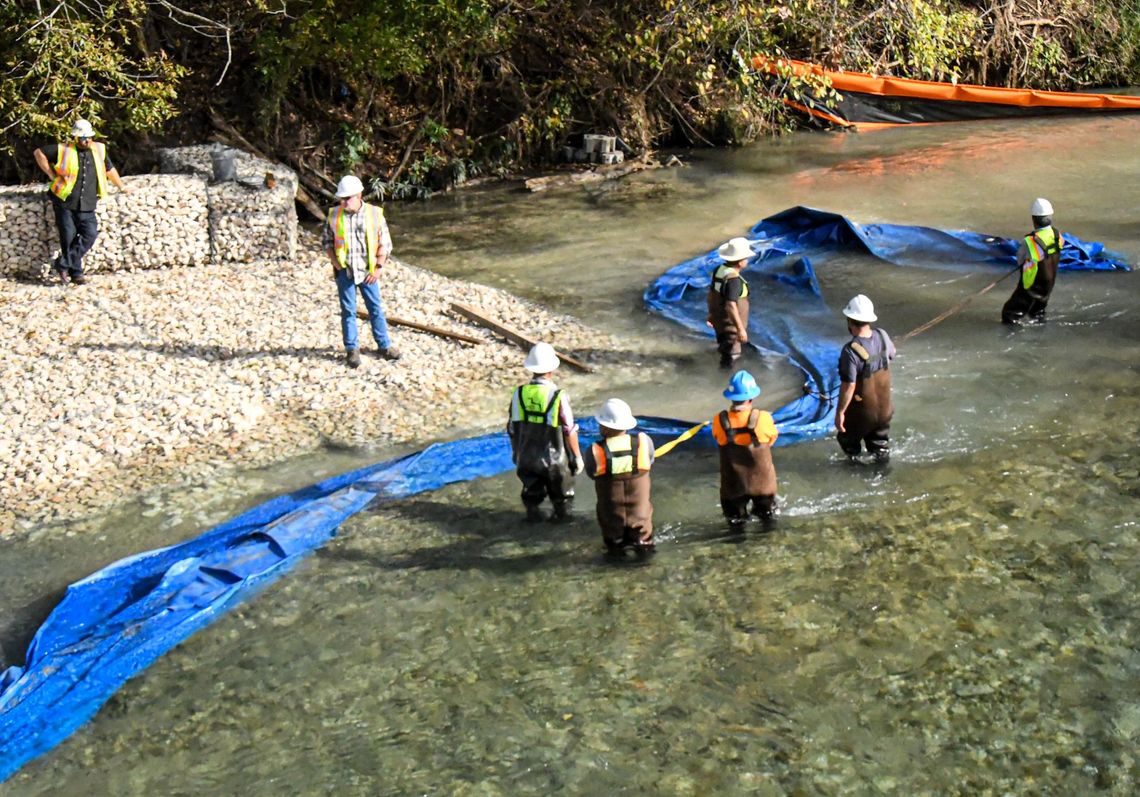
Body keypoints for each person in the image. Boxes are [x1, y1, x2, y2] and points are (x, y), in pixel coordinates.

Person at [33, 118, 132, 285]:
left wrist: (121, 186)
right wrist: (51, 174)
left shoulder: (99, 150)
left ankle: (62, 264)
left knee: (90, 234)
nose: (87, 141)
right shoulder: (63, 150)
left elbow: (109, 169)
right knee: (68, 237)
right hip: (64, 200)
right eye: (83, 138)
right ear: (75, 138)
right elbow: (39, 153)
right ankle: (76, 274)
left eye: (89, 138)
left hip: (87, 202)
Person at [322, 175, 399, 368]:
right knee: (348, 311)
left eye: (348, 198)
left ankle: (384, 346)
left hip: (368, 272)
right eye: (342, 198)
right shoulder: (334, 215)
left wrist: (379, 268)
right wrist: (338, 266)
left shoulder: (374, 214)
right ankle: (352, 350)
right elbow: (326, 242)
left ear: (359, 195)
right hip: (345, 273)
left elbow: (385, 244)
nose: (344, 202)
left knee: (375, 309)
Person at [507, 342, 583, 522]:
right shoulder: (558, 395)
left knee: (531, 500)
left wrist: (516, 454)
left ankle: (532, 524)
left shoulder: (519, 393)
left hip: (526, 459)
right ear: (552, 369)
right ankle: (560, 534)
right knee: (562, 502)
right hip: (554, 462)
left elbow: (511, 429)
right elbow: (569, 430)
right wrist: (577, 457)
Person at [583, 398, 656, 554]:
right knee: (645, 552)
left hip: (612, 523)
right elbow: (650, 461)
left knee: (613, 555)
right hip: (640, 521)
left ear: (604, 426)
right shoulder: (644, 442)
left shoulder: (594, 451)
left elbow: (591, 473)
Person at [712, 370, 779, 524]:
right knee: (768, 523)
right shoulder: (763, 418)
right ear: (751, 397)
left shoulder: (719, 420)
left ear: (730, 397)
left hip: (733, 489)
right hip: (764, 488)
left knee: (735, 528)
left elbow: (718, 439)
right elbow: (772, 439)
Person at [835, 294, 896, 463]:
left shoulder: (850, 351)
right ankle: (882, 474)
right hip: (885, 411)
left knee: (847, 441)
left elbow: (849, 386)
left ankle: (855, 471)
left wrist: (840, 413)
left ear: (850, 320)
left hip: (862, 415)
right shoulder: (883, 336)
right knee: (880, 447)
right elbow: (892, 353)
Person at [1002, 197, 1064, 325]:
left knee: (1010, 314)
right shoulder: (1057, 235)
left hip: (1031, 284)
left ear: (1034, 219)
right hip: (1049, 284)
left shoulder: (1030, 241)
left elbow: (1020, 259)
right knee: (1037, 312)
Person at [706, 236, 753, 368]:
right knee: (732, 352)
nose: (747, 260)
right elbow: (731, 305)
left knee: (724, 343)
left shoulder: (719, 270)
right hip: (730, 323)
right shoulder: (733, 280)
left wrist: (711, 314)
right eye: (746, 258)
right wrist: (740, 330)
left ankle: (724, 358)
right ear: (740, 262)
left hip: (719, 319)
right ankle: (725, 375)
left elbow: (711, 293)